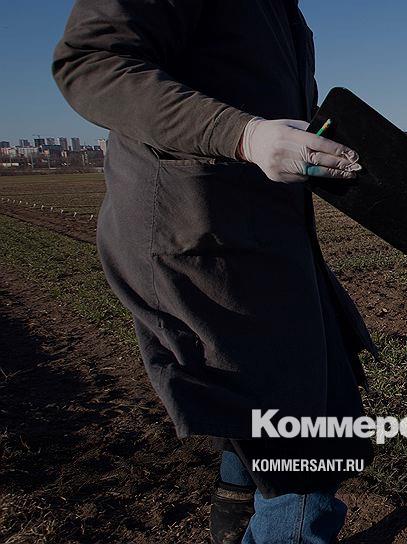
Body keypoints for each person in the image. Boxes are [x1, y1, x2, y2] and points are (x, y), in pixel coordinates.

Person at [52, 1, 376, 542]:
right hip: (200, 233)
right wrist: (245, 135)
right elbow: (90, 62)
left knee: (289, 385)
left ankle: (235, 502)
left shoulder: (281, 12)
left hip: (265, 230)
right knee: (305, 432)